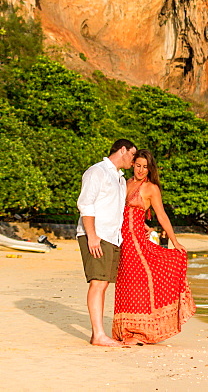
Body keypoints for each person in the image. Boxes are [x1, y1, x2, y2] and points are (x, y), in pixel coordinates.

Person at [112, 150, 195, 345]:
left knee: (138, 285)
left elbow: (161, 215)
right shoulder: (123, 182)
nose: (141, 170)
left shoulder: (151, 188)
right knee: (124, 285)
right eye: (138, 165)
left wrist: (174, 241)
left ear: (150, 168)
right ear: (133, 164)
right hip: (119, 239)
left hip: (136, 243)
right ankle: (125, 331)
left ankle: (138, 332)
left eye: (145, 167)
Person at [76, 138, 137, 347]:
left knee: (103, 284)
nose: (134, 159)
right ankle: (98, 335)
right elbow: (85, 204)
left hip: (112, 236)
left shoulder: (119, 178)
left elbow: (116, 209)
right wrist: (92, 236)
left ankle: (99, 333)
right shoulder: (97, 171)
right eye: (132, 154)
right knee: (98, 282)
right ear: (122, 150)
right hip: (97, 235)